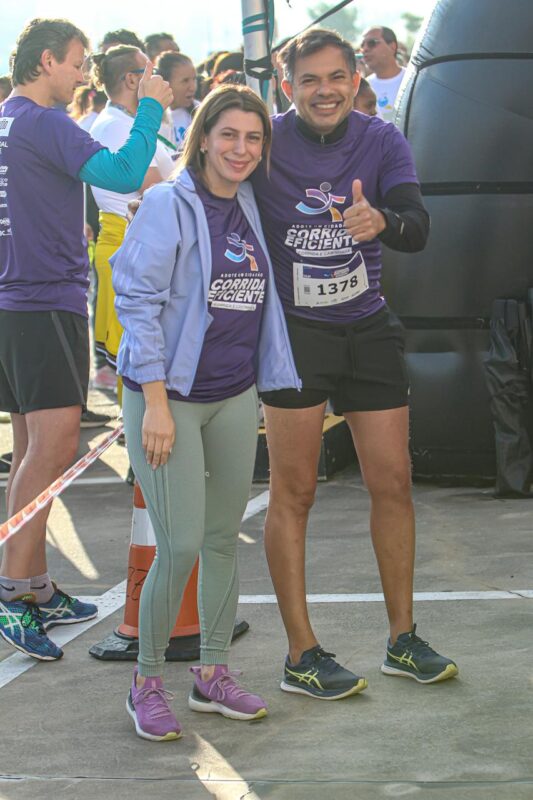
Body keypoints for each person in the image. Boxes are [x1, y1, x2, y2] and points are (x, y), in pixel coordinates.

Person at [251, 28, 458, 697]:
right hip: (295, 338)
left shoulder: (380, 139)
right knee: (296, 491)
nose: (324, 91)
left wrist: (383, 226)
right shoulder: (265, 141)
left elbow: (416, 226)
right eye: (309, 80)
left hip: (367, 329)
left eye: (335, 76)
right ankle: (301, 653)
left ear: (354, 78)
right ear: (287, 86)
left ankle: (402, 638)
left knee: (392, 482)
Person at [112, 84, 300, 741]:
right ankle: (146, 683)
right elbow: (134, 299)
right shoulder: (168, 204)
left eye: (252, 138)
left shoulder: (250, 203)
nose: (240, 149)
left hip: (233, 392)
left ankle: (212, 675)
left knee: (222, 539)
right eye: (228, 136)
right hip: (167, 399)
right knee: (183, 542)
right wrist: (156, 404)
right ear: (205, 138)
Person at [0, 17, 172, 661]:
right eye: (75, 63)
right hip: (46, 299)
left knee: (30, 451)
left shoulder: (9, 117)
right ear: (46, 62)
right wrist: (151, 103)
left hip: (16, 301)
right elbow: (128, 173)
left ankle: (33, 584)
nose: (83, 75)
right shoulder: (45, 122)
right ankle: (14, 590)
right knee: (51, 449)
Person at [89, 46, 176, 378]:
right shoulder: (118, 126)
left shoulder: (123, 120)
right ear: (132, 79)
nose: (159, 79)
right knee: (139, 361)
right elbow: (155, 188)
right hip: (130, 245)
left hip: (135, 243)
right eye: (151, 72)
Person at [361, 26, 406, 123]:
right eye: (362, 45)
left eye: (371, 43)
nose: (365, 49)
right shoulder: (362, 88)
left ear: (392, 47)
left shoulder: (411, 80)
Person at [156, 51, 199, 147]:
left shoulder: (202, 112)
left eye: (194, 79)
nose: (192, 87)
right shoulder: (152, 118)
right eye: (185, 81)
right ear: (165, 83)